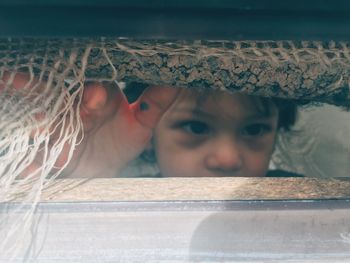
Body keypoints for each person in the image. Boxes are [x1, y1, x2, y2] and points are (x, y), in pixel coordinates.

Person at [1, 72, 298, 178]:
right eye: (195, 128)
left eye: (254, 130)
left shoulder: (302, 200)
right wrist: (92, 183)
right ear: (151, 134)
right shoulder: (138, 198)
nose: (227, 159)